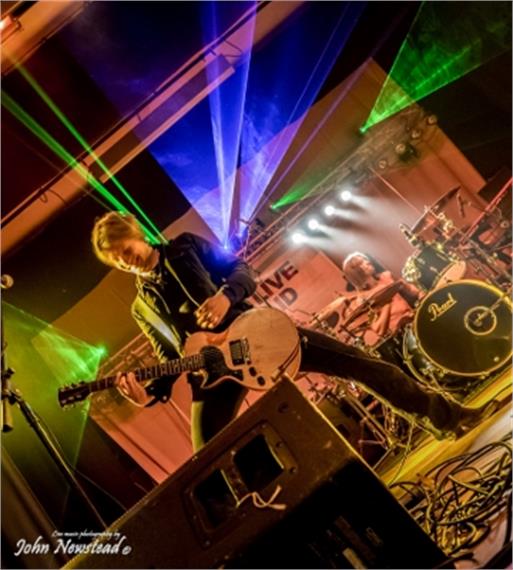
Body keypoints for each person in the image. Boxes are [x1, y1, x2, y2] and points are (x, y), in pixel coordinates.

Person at [91, 212, 497, 451]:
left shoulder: (185, 246)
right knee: (208, 453)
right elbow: (170, 362)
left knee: (361, 364)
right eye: (117, 262)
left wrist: (226, 297)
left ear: (136, 234)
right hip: (215, 372)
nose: (127, 262)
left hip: (258, 337)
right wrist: (147, 394)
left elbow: (242, 270)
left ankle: (448, 418)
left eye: (126, 251)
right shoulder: (141, 307)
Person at [338, 252, 422, 360]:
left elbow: (413, 291)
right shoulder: (361, 301)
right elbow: (379, 329)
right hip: (401, 336)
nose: (367, 262)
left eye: (365, 259)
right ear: (356, 274)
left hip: (414, 319)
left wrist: (424, 296)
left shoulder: (386, 276)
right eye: (361, 263)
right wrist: (386, 302)